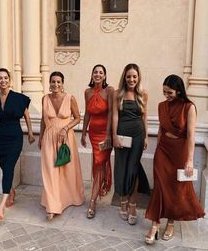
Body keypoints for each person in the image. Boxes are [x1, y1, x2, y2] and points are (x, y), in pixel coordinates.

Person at [145, 74, 205, 244]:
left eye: (169, 92)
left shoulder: (189, 107)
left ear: (178, 91)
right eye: (164, 92)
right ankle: (155, 225)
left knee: (175, 189)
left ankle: (170, 223)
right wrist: (157, 149)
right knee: (159, 188)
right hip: (163, 151)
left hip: (180, 152)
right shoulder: (161, 106)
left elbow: (191, 135)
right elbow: (160, 130)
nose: (166, 95)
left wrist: (190, 160)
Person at [0, 68, 35, 222]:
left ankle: (1, 207)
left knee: (8, 167)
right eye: (0, 78)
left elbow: (27, 115)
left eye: (6, 78)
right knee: (4, 166)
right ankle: (11, 191)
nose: (3, 81)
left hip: (15, 137)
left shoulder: (19, 98)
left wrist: (30, 133)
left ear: (9, 80)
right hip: (0, 138)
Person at [38, 71, 85, 221]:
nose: (55, 84)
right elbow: (43, 120)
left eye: (58, 82)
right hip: (49, 138)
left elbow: (78, 118)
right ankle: (52, 206)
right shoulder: (45, 99)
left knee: (67, 170)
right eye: (53, 81)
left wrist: (66, 128)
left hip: (66, 138)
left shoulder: (70, 98)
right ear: (49, 83)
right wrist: (40, 137)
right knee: (50, 171)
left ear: (62, 83)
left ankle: (68, 199)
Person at [112, 63, 150, 225]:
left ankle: (132, 205)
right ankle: (123, 202)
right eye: (128, 76)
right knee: (122, 168)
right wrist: (114, 136)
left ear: (138, 78)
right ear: (124, 78)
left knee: (133, 170)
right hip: (121, 134)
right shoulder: (117, 94)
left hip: (138, 135)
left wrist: (146, 136)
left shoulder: (143, 94)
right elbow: (114, 116)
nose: (131, 79)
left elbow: (144, 116)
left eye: (134, 76)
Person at [81, 64, 114, 219]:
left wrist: (109, 135)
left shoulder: (109, 91)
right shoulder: (87, 92)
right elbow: (87, 113)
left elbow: (111, 113)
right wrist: (83, 133)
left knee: (100, 163)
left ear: (105, 76)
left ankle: (92, 201)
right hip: (93, 133)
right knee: (97, 163)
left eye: (101, 72)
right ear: (92, 74)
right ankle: (102, 183)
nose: (98, 74)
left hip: (106, 133)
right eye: (95, 72)